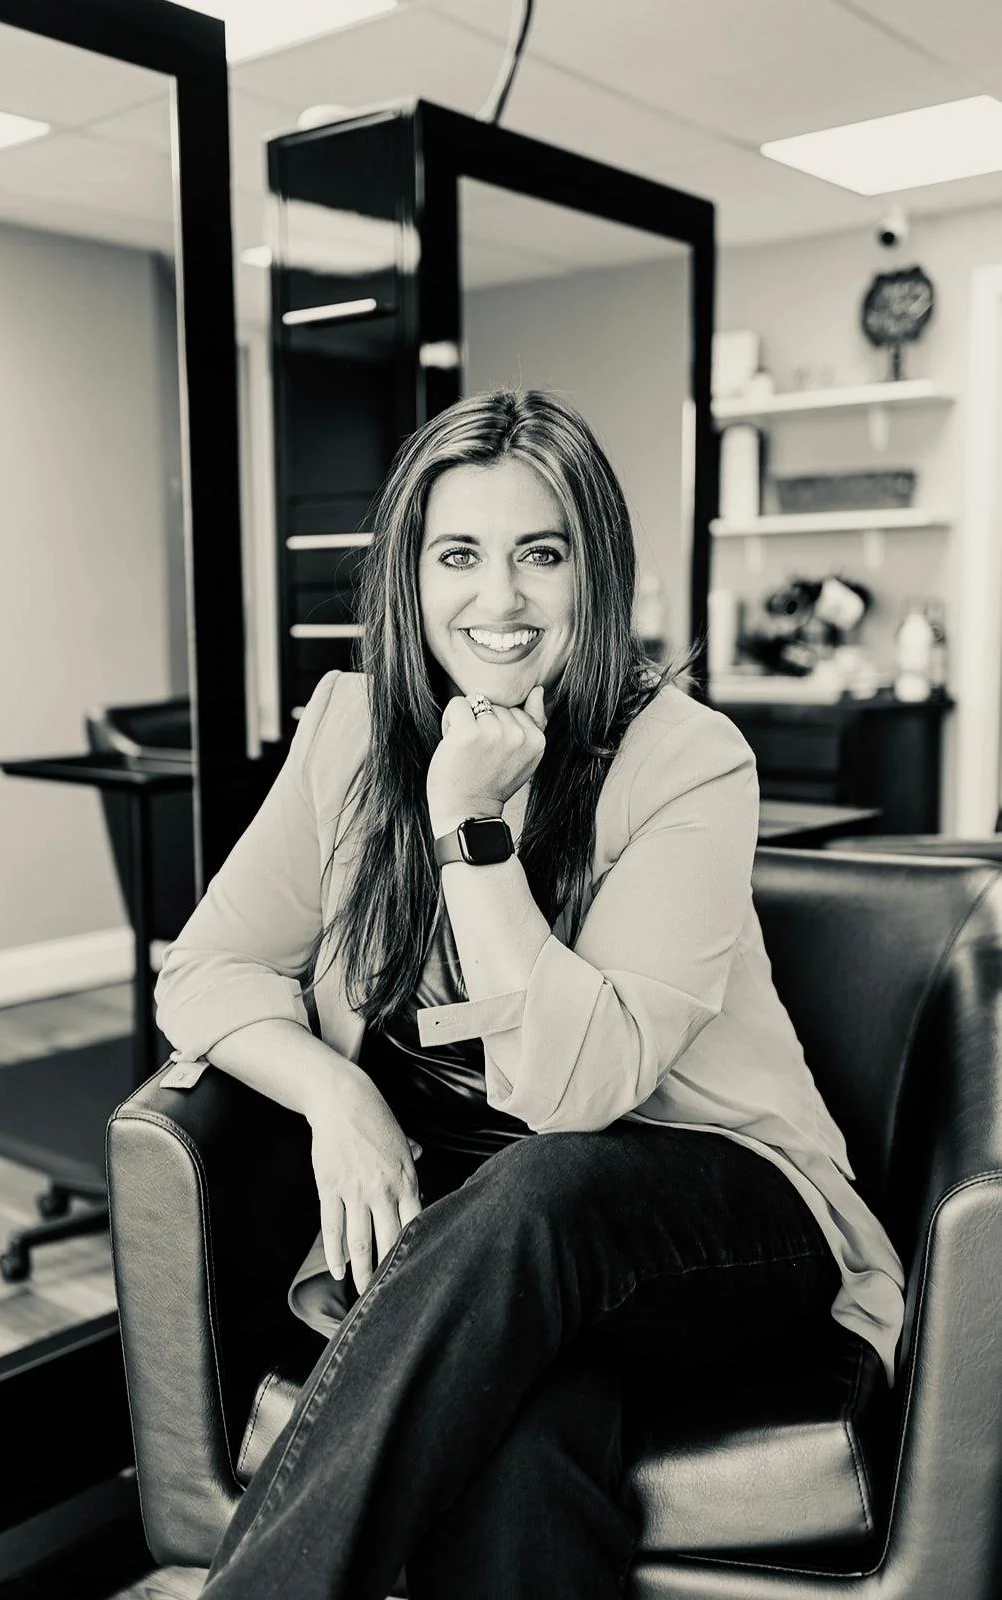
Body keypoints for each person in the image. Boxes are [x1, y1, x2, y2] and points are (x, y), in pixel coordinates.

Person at [153, 388, 905, 1600]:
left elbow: (576, 1095)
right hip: (475, 1256)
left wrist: (471, 827)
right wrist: (336, 1094)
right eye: (458, 554)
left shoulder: (687, 757)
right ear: (410, 575)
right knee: (521, 1431)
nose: (496, 600)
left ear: (591, 573)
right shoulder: (347, 727)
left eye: (538, 555)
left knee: (540, 1185)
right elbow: (204, 965)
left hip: (709, 1213)